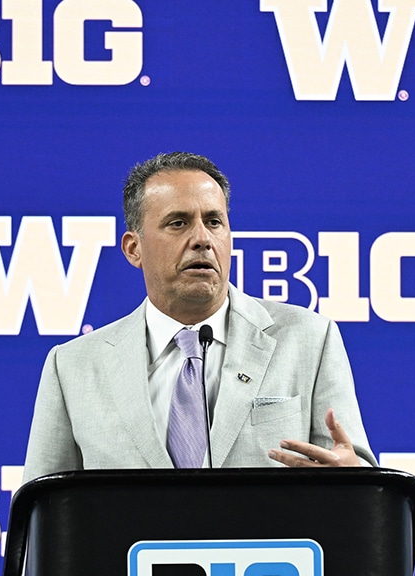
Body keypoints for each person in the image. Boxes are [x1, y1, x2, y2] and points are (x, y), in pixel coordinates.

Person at [21, 152, 374, 483]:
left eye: (214, 221)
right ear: (134, 248)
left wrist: (355, 480)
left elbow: (357, 478)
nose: (202, 239)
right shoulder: (72, 368)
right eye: (178, 223)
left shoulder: (309, 339)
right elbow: (43, 515)